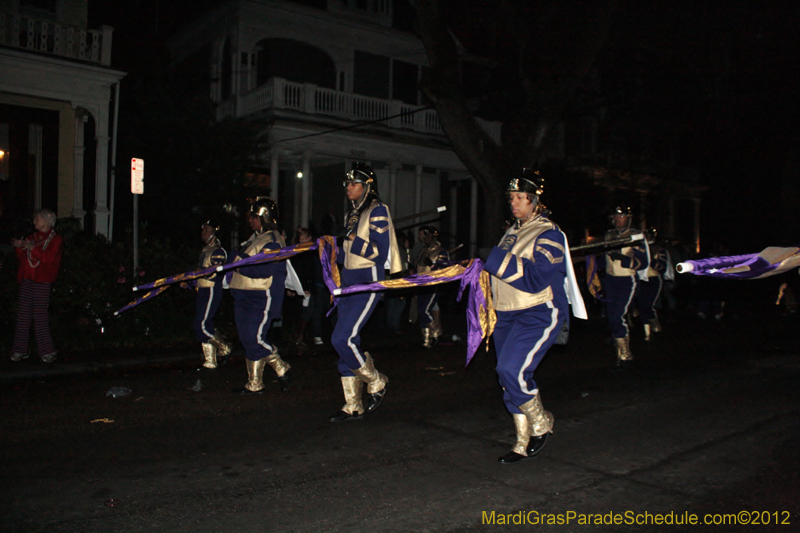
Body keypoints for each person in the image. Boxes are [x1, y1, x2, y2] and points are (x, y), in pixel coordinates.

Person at [483, 169, 568, 464]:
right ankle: (521, 440)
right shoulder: (511, 233)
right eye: (511, 197)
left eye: (520, 198)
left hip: (538, 312)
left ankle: (541, 422)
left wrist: (493, 259)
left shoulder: (549, 233)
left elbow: (534, 278)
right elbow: (499, 273)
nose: (514, 203)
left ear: (535, 201)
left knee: (511, 370)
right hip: (506, 314)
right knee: (508, 378)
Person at [329, 163, 402, 422]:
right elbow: (347, 253)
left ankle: (377, 380)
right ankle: (353, 405)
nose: (348, 188)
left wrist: (353, 239)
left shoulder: (377, 210)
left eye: (354, 184)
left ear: (367, 186)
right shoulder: (354, 213)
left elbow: (379, 254)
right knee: (346, 341)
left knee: (343, 338)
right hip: (349, 281)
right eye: (347, 184)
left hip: (367, 280)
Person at [228, 197, 291, 394]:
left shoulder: (273, 239)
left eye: (254, 216)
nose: (250, 220)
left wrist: (238, 262)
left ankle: (280, 366)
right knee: (247, 338)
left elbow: (265, 269)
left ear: (264, 217)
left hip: (262, 296)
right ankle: (255, 383)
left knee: (255, 337)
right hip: (244, 296)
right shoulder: (255, 238)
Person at [10, 209, 64, 362]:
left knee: (40, 315)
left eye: (37, 219)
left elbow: (49, 259)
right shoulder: (31, 238)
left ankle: (47, 351)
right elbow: (24, 259)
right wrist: (19, 247)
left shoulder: (56, 239)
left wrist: (32, 249)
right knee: (23, 316)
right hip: (27, 279)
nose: (34, 222)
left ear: (47, 221)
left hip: (42, 281)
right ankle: (20, 350)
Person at [602, 206, 647, 366]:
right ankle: (619, 353)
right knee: (611, 316)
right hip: (610, 279)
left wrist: (623, 259)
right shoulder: (609, 234)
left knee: (617, 315)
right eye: (615, 216)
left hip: (626, 280)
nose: (617, 219)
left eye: (620, 216)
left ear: (628, 217)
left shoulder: (635, 235)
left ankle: (626, 353)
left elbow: (643, 262)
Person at [193, 220, 231, 369]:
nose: (203, 233)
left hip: (211, 290)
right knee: (205, 323)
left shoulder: (218, 251)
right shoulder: (205, 250)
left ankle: (225, 347)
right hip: (203, 289)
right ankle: (210, 361)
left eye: (207, 230)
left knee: (201, 325)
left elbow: (215, 271)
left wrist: (199, 273)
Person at [413, 226, 449, 348]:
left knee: (425, 309)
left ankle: (436, 333)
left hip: (434, 285)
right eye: (425, 236)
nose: (426, 239)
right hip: (421, 284)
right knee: (421, 310)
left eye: (429, 236)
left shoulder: (441, 251)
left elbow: (445, 269)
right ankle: (427, 339)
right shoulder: (422, 251)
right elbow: (417, 266)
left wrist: (433, 264)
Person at [290, 227, 327, 347]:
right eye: (303, 238)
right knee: (306, 311)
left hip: (312, 286)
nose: (306, 239)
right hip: (302, 287)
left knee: (310, 311)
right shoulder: (297, 252)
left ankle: (301, 336)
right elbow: (297, 271)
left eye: (306, 237)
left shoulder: (311, 251)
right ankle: (298, 336)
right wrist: (299, 287)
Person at [635, 236, 668, 341]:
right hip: (641, 280)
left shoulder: (659, 250)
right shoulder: (639, 250)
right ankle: (647, 333)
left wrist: (650, 259)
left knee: (648, 305)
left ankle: (654, 322)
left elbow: (662, 268)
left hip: (653, 280)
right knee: (642, 305)